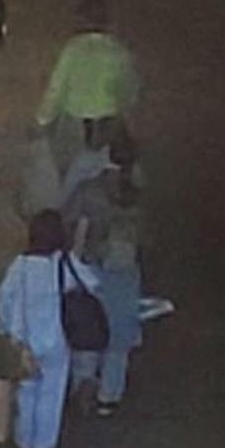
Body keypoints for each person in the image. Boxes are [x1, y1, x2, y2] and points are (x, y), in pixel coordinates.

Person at [0, 210, 98, 448]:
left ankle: (24, 438)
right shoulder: (62, 263)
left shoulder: (20, 264)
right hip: (56, 339)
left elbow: (2, 297)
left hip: (25, 340)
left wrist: (8, 328)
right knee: (52, 393)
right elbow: (92, 284)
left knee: (27, 390)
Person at [63, 139, 144, 417]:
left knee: (88, 329)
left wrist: (72, 264)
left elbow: (76, 226)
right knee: (119, 337)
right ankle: (109, 395)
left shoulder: (90, 190)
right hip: (126, 270)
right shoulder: (136, 192)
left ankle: (84, 383)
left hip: (93, 268)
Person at [35, 0, 141, 174]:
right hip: (108, 120)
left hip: (74, 121)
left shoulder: (73, 50)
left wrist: (43, 119)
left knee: (63, 167)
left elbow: (57, 88)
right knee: (129, 160)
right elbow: (129, 87)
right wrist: (122, 106)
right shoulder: (117, 51)